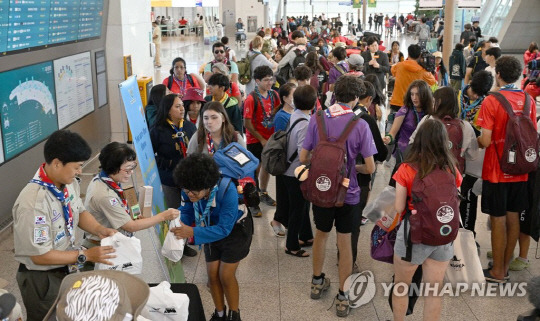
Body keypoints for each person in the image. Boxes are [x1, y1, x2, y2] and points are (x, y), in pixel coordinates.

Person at [13, 130, 117, 320]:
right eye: (77, 167)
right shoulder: (33, 204)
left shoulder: (68, 183)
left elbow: (79, 211)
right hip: (43, 280)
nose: (80, 172)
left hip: (67, 265)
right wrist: (86, 255)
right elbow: (40, 256)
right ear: (57, 163)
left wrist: (99, 229)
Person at [300, 75, 376, 317]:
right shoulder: (360, 124)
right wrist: (350, 169)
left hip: (321, 190)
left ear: (334, 94)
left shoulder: (317, 118)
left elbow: (303, 158)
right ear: (355, 99)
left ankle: (316, 281)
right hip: (349, 193)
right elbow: (371, 168)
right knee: (344, 242)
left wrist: (324, 167)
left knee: (321, 234)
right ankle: (343, 295)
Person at [391, 119, 462, 321]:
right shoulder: (451, 168)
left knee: (402, 287)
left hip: (414, 235)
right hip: (443, 234)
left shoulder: (407, 169)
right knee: (433, 292)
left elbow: (398, 207)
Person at [477, 56, 537, 283]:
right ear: (519, 74)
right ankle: (504, 265)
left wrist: (477, 141)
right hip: (521, 169)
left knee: (498, 218)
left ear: (498, 75)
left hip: (496, 170)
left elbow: (486, 139)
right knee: (514, 217)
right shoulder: (529, 100)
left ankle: (498, 272)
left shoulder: (492, 101)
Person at [171, 154, 253, 321]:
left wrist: (192, 232)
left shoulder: (227, 190)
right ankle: (220, 313)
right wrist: (179, 226)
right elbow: (186, 210)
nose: (189, 194)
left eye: (193, 191)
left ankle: (234, 314)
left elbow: (224, 229)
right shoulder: (189, 187)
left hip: (235, 230)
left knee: (225, 275)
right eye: (186, 190)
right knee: (212, 274)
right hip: (208, 226)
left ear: (207, 186)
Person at [83, 143, 179, 249]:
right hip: (102, 246)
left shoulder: (106, 179)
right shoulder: (105, 195)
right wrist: (163, 216)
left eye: (133, 167)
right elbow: (130, 226)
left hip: (113, 241)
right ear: (113, 167)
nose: (132, 172)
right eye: (128, 169)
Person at [350, 81, 388, 272]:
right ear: (369, 99)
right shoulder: (367, 119)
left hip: (339, 172)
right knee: (354, 221)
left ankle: (343, 256)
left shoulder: (343, 114)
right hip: (360, 174)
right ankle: (349, 260)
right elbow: (380, 154)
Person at [243, 65, 281, 217]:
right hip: (255, 140)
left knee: (266, 166)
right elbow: (247, 123)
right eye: (266, 80)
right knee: (255, 169)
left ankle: (263, 192)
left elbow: (278, 113)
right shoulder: (251, 98)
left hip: (270, 138)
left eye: (271, 79)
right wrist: (261, 139)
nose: (270, 83)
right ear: (257, 81)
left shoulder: (274, 95)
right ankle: (253, 202)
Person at [269, 83, 297, 238]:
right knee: (282, 193)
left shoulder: (294, 113)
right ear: (285, 98)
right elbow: (281, 140)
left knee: (287, 194)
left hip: (291, 161)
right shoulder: (281, 116)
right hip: (283, 160)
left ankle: (281, 220)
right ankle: (277, 220)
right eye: (293, 95)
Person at [384, 80, 433, 161]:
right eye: (412, 94)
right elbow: (392, 133)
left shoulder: (430, 112)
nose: (414, 98)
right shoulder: (404, 110)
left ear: (425, 95)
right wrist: (388, 138)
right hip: (403, 154)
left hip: (422, 156)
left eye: (417, 94)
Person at [389, 44, 437, 113]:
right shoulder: (423, 71)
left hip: (397, 103)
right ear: (420, 56)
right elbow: (434, 84)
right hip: (414, 105)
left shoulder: (399, 66)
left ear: (408, 54)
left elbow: (392, 71)